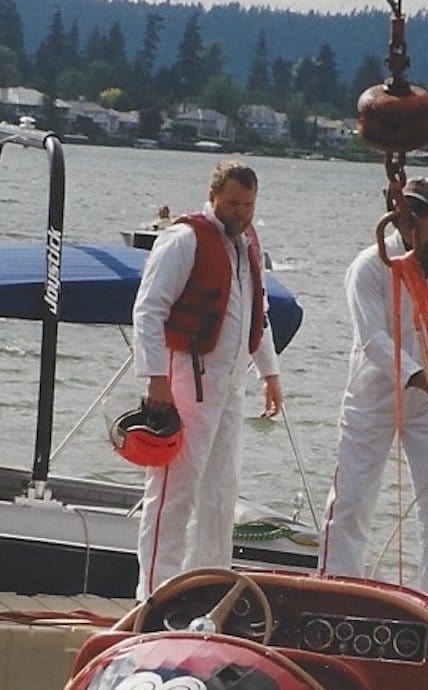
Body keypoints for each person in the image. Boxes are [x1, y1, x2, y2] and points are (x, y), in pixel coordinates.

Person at [319, 177, 428, 593]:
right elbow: (374, 340)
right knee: (351, 502)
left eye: (419, 212)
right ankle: (338, 588)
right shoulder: (369, 265)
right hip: (372, 398)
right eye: (402, 210)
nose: (409, 220)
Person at [129, 160, 284, 601]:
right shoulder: (183, 239)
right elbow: (149, 310)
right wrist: (155, 379)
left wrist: (269, 372)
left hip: (230, 383)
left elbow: (259, 313)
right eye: (233, 202)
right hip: (188, 377)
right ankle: (152, 593)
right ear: (213, 196)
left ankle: (209, 586)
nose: (241, 212)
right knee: (173, 489)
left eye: (249, 204)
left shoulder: (249, 243)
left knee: (221, 491)